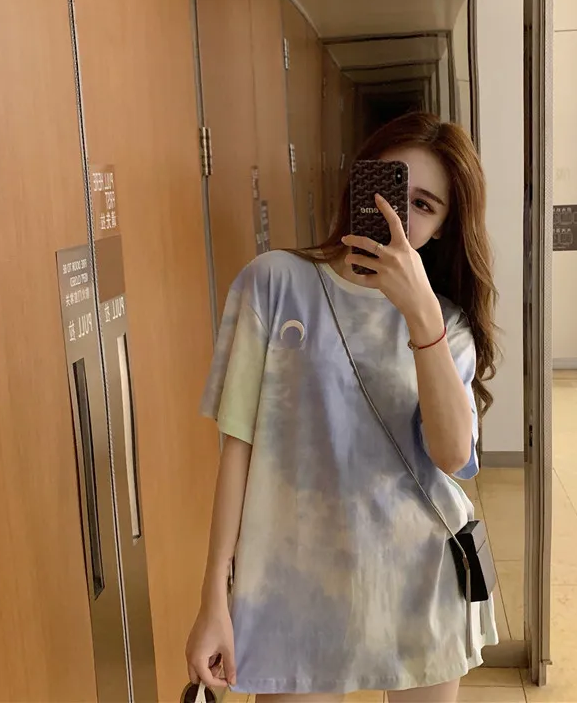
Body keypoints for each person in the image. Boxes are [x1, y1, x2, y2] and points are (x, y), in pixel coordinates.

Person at [186, 112, 500, 703]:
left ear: (443, 229)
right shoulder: (272, 283)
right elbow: (238, 448)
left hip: (419, 578)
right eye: (391, 188)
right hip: (293, 587)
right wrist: (213, 599)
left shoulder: (447, 323)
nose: (397, 215)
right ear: (360, 183)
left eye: (423, 205)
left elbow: (452, 454)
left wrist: (422, 316)